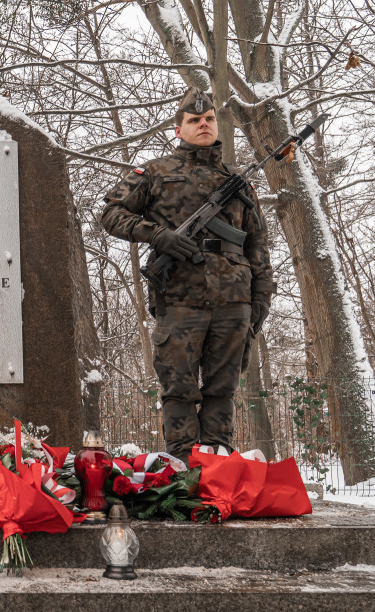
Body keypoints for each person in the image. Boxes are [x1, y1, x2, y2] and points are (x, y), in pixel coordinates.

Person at [100, 88, 275, 463]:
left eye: (209, 119)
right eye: (194, 120)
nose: (204, 124)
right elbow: (111, 214)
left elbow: (257, 243)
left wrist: (261, 297)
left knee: (222, 389)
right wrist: (157, 234)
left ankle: (219, 466)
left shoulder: (239, 181)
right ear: (178, 129)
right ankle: (182, 467)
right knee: (179, 390)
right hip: (179, 298)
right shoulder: (156, 171)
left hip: (235, 300)